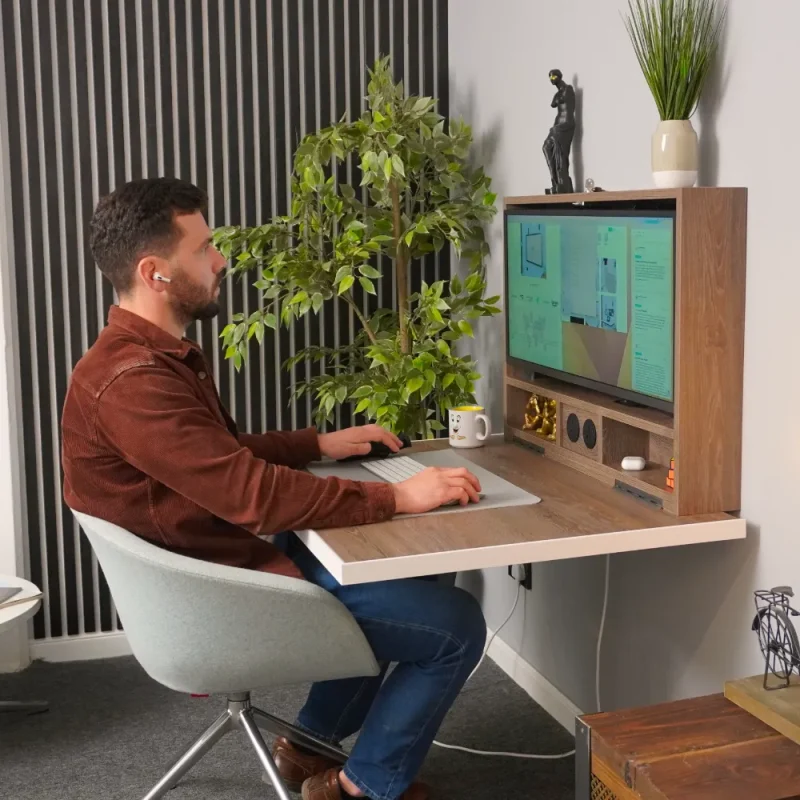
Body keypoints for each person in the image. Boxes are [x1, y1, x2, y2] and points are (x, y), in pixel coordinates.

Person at [61, 178, 487, 800]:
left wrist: (318, 445)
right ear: (155, 273)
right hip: (219, 599)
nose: (221, 260)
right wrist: (397, 496)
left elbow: (213, 457)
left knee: (423, 577)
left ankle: (306, 746)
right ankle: (359, 787)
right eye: (204, 248)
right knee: (456, 628)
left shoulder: (142, 358)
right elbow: (249, 494)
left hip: (217, 564)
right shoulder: (132, 382)